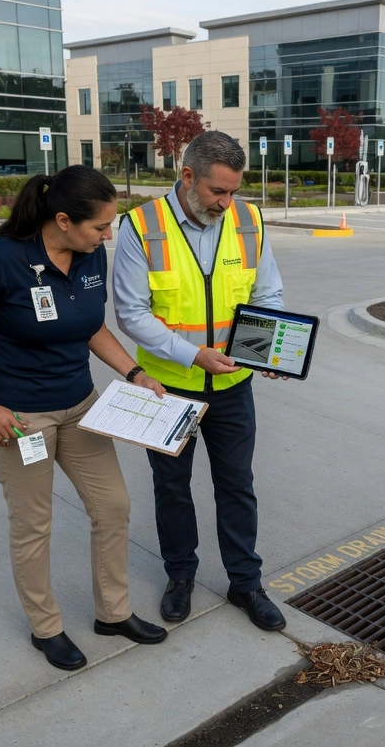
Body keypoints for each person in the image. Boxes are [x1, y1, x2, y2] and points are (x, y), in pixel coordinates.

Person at [0, 165, 167, 671]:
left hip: (79, 407)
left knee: (114, 507)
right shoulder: (1, 260)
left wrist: (134, 371)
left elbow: (89, 325)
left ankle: (113, 612)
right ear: (63, 220)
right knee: (34, 523)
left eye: (111, 226)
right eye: (100, 227)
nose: (108, 236)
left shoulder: (89, 256)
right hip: (19, 419)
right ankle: (47, 628)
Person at [112, 131, 287, 632]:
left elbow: (267, 293)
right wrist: (194, 356)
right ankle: (180, 577)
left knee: (238, 486)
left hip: (233, 388)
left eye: (233, 191)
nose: (227, 202)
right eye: (217, 192)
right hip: (168, 388)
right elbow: (131, 313)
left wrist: (267, 347)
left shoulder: (248, 220)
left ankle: (245, 583)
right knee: (173, 489)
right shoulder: (140, 226)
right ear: (188, 176)